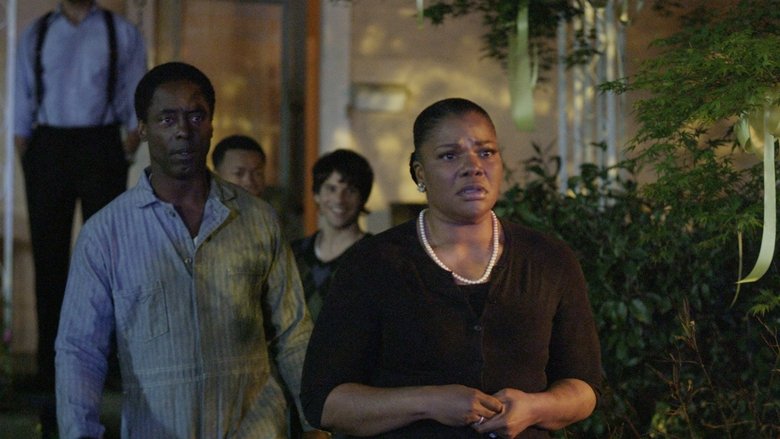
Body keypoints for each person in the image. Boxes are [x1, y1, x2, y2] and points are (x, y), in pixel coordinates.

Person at [300, 98, 602, 438]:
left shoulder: (548, 259)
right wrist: (428, 402)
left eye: (486, 152)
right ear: (420, 173)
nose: (473, 167)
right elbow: (325, 402)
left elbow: (584, 387)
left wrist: (536, 407)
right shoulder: (373, 263)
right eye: (449, 155)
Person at [55, 62, 322, 439]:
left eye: (196, 116)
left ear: (211, 125)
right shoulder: (106, 234)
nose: (183, 130)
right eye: (166, 119)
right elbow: (80, 350)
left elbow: (293, 332)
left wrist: (315, 425)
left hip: (254, 427)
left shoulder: (257, 219)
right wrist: (80, 432)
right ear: (142, 129)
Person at [13, 0, 147, 404]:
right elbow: (21, 94)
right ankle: (49, 367)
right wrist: (26, 148)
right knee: (48, 258)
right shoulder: (37, 32)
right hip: (48, 143)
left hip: (100, 143)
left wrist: (127, 143)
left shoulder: (121, 32)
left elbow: (136, 91)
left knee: (107, 258)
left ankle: (107, 364)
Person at [291, 149, 374, 321]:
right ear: (316, 194)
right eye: (331, 188)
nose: (339, 199)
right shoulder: (293, 254)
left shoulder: (376, 256)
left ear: (363, 199)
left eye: (350, 191)